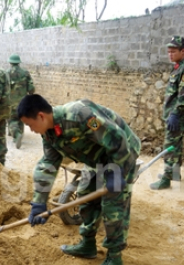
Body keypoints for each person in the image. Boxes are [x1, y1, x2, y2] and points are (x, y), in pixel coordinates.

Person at [17, 94, 141, 265]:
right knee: (84, 194)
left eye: (30, 125)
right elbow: (48, 164)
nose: (30, 130)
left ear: (41, 116)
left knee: (113, 204)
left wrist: (117, 173)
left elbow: (118, 140)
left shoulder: (79, 115)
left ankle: (114, 256)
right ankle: (88, 245)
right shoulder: (48, 135)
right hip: (97, 157)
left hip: (122, 153)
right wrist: (39, 202)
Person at [150, 36, 184, 190]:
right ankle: (175, 173)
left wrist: (175, 113)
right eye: (169, 52)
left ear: (183, 51)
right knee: (177, 144)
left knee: (170, 145)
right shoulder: (178, 66)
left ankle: (165, 179)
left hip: (177, 115)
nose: (170, 54)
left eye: (173, 51)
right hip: (174, 114)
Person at [7, 54, 35, 149]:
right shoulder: (25, 73)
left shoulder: (7, 73)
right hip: (23, 102)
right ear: (19, 62)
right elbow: (31, 89)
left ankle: (16, 134)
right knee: (20, 118)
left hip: (11, 103)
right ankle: (20, 133)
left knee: (11, 120)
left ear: (10, 62)